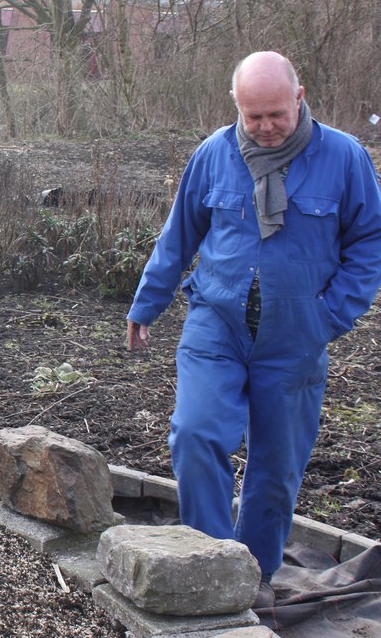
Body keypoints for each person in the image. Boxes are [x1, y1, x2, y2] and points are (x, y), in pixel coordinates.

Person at [126, 51, 381, 597]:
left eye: (276, 115)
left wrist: (330, 315)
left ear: (299, 97)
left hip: (296, 337)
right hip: (216, 323)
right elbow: (179, 235)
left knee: (276, 469)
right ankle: (211, 566)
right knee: (195, 433)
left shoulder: (344, 158)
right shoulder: (214, 155)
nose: (265, 127)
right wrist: (146, 304)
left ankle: (255, 578)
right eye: (253, 116)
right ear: (236, 106)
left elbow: (369, 241)